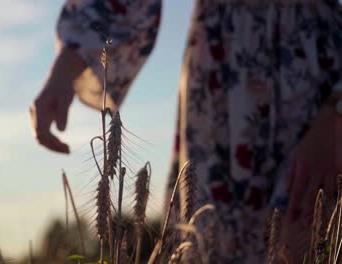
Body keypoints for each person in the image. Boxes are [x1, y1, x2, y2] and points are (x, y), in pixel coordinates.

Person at [30, 0, 342, 262]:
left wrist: (337, 111)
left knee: (310, 241)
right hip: (218, 91)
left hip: (315, 85)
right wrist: (64, 68)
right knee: (209, 243)